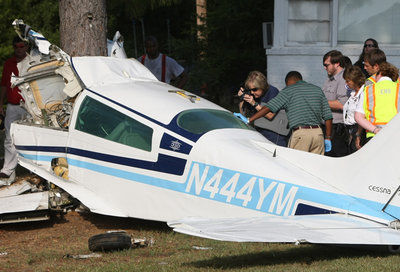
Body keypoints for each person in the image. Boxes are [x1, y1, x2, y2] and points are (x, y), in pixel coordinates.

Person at [248, 71, 333, 155]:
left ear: (288, 82)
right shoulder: (317, 90)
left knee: (296, 166)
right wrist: (328, 137)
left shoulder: (288, 90)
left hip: (301, 134)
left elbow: (268, 108)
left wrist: (250, 119)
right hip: (318, 134)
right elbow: (328, 116)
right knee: (314, 166)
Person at [0, 36, 29, 185]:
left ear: (26, 47)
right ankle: (8, 170)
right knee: (9, 138)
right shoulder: (8, 63)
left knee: (30, 137)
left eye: (22, 46)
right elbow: (4, 84)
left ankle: (32, 167)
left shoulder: (31, 62)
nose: (19, 49)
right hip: (12, 106)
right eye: (17, 46)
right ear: (13, 48)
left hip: (28, 106)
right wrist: (1, 103)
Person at [237, 71, 287, 146]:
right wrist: (242, 99)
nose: (252, 92)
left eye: (255, 89)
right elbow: (243, 115)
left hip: (275, 136)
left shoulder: (272, 91)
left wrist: (254, 103)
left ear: (262, 86)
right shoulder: (253, 96)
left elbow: (270, 115)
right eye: (250, 90)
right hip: (259, 135)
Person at [355, 62, 399, 144]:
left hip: (374, 136)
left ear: (380, 73)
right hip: (396, 136)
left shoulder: (367, 90)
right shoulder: (398, 88)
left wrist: (375, 130)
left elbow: (358, 116)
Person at [322, 50, 349, 157]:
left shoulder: (343, 79)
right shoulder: (330, 79)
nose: (324, 67)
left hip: (337, 130)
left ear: (337, 64)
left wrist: (320, 102)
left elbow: (342, 104)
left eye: (326, 65)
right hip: (328, 127)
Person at [342, 66, 366, 153]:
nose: (346, 83)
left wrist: (358, 135)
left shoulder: (363, 93)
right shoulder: (352, 94)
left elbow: (362, 115)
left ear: (355, 80)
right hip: (349, 131)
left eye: (348, 81)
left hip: (358, 130)